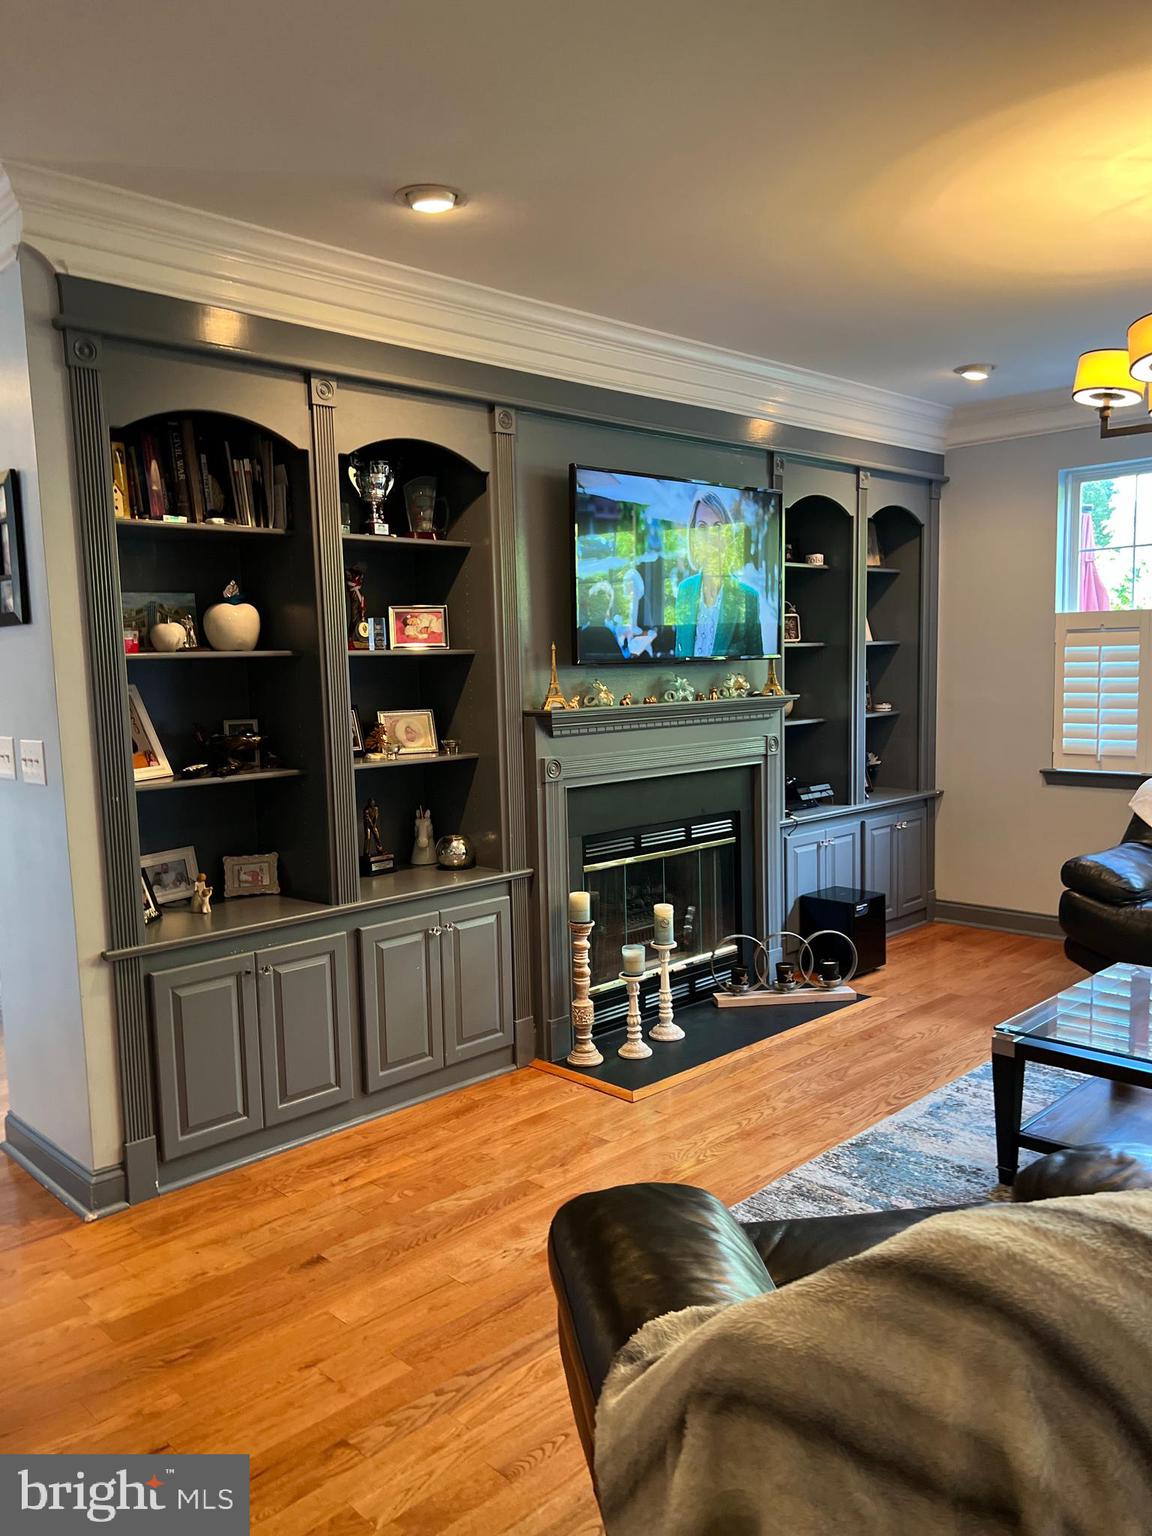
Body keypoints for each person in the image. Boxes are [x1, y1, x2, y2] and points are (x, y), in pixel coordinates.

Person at [673, 492, 763, 659]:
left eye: (717, 527)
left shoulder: (748, 597)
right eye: (702, 527)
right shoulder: (684, 590)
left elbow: (756, 664)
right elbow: (679, 656)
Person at [577, 580, 626, 663]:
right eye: (594, 601)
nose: (597, 607)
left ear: (608, 605)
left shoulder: (614, 631)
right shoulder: (581, 632)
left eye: (603, 603)